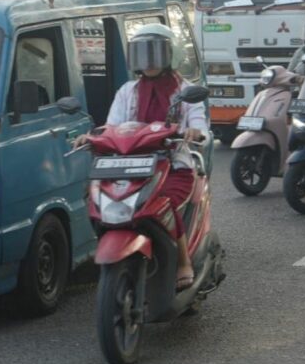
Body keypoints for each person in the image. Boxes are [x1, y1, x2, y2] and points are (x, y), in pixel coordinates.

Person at [75, 24, 207, 290]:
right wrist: (91, 137)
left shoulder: (185, 91)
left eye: (154, 53)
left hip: (171, 164)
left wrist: (194, 132)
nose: (148, 61)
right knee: (93, 196)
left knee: (164, 202)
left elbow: (200, 125)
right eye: (142, 53)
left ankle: (182, 261)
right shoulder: (128, 91)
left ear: (170, 54)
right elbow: (111, 126)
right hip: (127, 164)